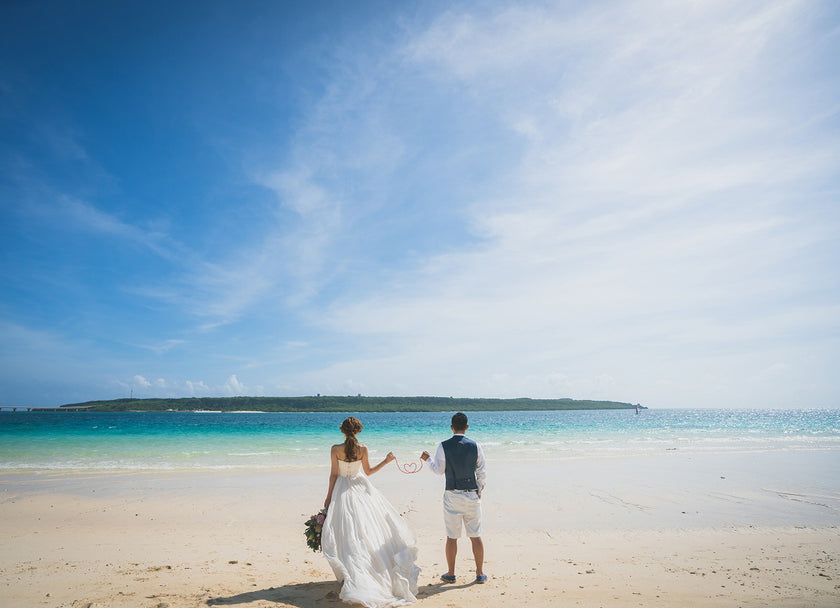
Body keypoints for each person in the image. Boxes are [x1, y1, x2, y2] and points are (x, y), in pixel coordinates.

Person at [321, 417, 420, 607]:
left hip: (342, 489)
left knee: (346, 532)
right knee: (367, 530)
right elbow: (368, 471)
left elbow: (334, 474)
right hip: (361, 489)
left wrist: (328, 496)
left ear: (342, 430)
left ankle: (350, 573)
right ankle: (367, 570)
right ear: (358, 430)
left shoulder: (335, 449)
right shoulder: (363, 449)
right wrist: (387, 460)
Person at [420, 412, 487, 584]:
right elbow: (481, 472)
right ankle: (479, 573)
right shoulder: (476, 446)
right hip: (471, 493)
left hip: (452, 494)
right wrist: (479, 490)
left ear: (451, 427)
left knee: (452, 537)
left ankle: (451, 573)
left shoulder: (443, 446)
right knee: (475, 535)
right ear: (467, 427)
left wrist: (427, 459)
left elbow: (438, 470)